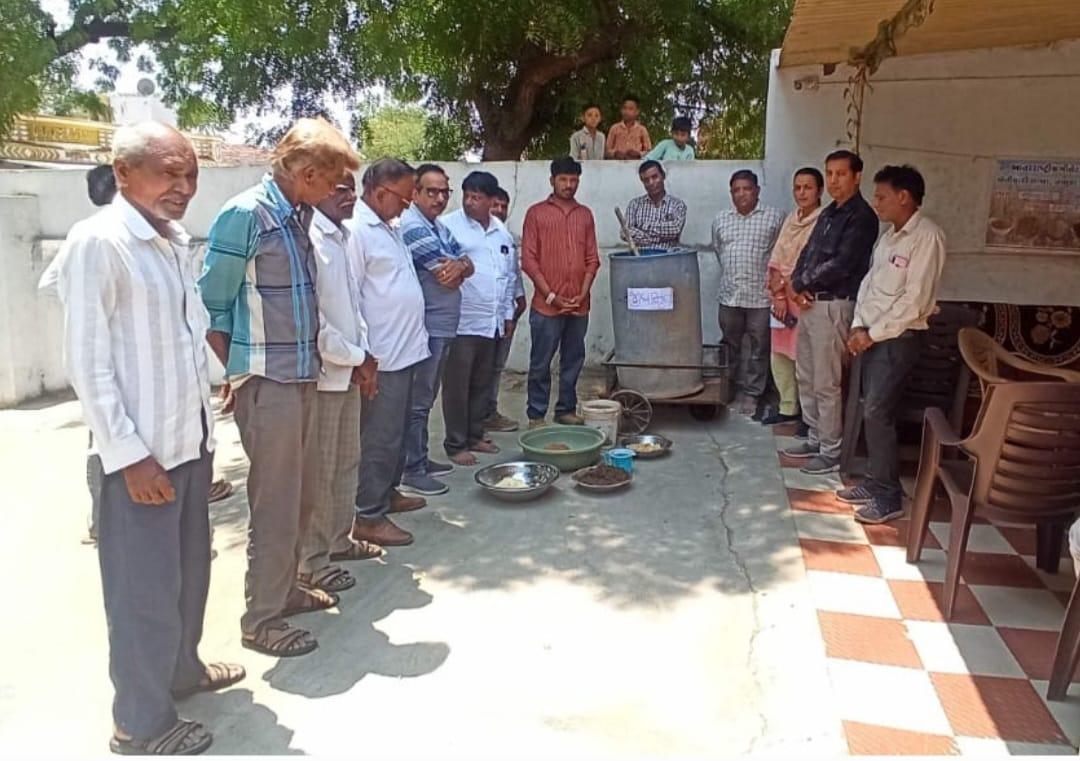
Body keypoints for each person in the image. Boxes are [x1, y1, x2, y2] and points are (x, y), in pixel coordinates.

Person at [56, 122, 243, 755]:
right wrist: (129, 457)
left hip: (188, 444)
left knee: (189, 575)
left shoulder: (169, 240)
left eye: (190, 174)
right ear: (125, 173)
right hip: (141, 458)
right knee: (143, 594)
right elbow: (88, 361)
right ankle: (140, 721)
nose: (184, 187)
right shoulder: (99, 242)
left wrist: (217, 383)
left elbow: (180, 337)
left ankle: (182, 673)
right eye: (170, 173)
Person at [200, 118, 359, 658]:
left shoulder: (296, 216)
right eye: (332, 181)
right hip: (267, 382)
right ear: (308, 172)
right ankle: (261, 619)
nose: (337, 191)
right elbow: (213, 305)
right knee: (275, 501)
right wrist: (239, 375)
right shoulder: (246, 215)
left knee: (304, 493)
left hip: (303, 374)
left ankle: (286, 588)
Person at [839, 165, 945, 523]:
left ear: (904, 196)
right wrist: (857, 326)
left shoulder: (926, 237)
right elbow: (868, 285)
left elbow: (914, 301)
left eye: (882, 195)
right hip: (871, 336)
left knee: (877, 411)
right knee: (873, 408)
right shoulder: (888, 238)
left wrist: (872, 333)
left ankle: (889, 497)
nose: (876, 202)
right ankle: (874, 480)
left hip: (899, 339)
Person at [297, 171, 384, 597]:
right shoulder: (309, 239)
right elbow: (317, 323)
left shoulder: (343, 237)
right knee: (320, 471)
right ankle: (312, 563)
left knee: (347, 462)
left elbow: (353, 307)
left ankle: (339, 540)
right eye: (339, 188)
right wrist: (357, 358)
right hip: (325, 374)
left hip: (350, 368)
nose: (348, 196)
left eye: (351, 188)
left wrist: (364, 356)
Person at [347, 158, 431, 548]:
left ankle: (389, 493)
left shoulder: (389, 226)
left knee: (396, 434)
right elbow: (350, 299)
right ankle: (368, 515)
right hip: (383, 357)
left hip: (408, 349)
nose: (409, 203)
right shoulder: (356, 231)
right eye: (405, 195)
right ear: (380, 193)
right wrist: (364, 358)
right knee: (379, 437)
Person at [783, 150, 880, 475]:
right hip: (811, 304)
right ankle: (814, 436)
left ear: (857, 176)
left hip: (835, 305)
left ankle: (830, 450)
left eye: (841, 174)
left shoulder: (862, 217)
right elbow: (808, 253)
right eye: (831, 173)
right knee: (806, 375)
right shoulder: (827, 215)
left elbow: (842, 264)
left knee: (826, 381)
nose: (835, 180)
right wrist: (797, 283)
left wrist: (805, 282)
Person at [399, 163, 472, 495]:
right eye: (432, 191)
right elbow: (446, 270)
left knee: (426, 399)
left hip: (443, 325)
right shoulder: (412, 226)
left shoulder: (437, 226)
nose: (440, 198)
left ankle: (422, 459)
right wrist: (458, 266)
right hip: (426, 326)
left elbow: (464, 262)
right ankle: (412, 469)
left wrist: (460, 265)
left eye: (445, 191)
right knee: (417, 400)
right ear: (415, 193)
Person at [440, 171, 518, 465]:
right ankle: (456, 443)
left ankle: (475, 435)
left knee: (482, 383)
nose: (470, 202)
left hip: (493, 321)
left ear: (491, 201)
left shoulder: (501, 232)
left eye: (477, 197)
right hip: (462, 321)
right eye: (467, 196)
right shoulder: (448, 226)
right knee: (457, 386)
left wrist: (508, 313)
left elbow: (508, 276)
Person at [522, 157, 600, 427]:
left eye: (574, 180)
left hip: (579, 305)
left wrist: (582, 293)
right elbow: (529, 260)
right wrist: (552, 296)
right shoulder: (536, 213)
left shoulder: (585, 215)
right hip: (546, 306)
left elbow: (592, 259)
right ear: (552, 180)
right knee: (541, 362)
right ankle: (536, 414)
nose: (569, 185)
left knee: (573, 360)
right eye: (564, 179)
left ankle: (566, 409)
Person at [711, 169, 785, 418]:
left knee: (758, 347)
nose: (741, 194)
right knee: (729, 345)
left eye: (746, 188)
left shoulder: (774, 218)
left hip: (760, 298)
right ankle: (727, 388)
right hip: (730, 295)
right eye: (736, 190)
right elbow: (719, 251)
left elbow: (780, 257)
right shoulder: (721, 220)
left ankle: (753, 393)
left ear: (757, 191)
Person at [762, 167, 825, 428]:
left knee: (804, 357)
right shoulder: (791, 220)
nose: (802, 193)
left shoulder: (824, 221)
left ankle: (809, 417)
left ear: (820, 191)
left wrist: (789, 287)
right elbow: (777, 258)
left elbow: (814, 263)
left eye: (807, 187)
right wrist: (777, 294)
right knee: (780, 355)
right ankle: (787, 407)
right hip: (782, 299)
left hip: (804, 297)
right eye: (797, 188)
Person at [484, 186, 528, 432]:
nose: (499, 211)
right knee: (478, 371)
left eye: (503, 206)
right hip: (481, 319)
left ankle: (490, 412)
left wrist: (519, 303)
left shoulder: (507, 237)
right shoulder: (466, 235)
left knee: (495, 368)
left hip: (506, 315)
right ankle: (473, 421)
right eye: (495, 205)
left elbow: (512, 275)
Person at [623, 160, 687, 247]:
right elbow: (624, 232)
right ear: (642, 181)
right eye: (646, 180)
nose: (651, 183)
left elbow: (675, 230)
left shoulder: (677, 205)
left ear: (663, 176)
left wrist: (644, 227)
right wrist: (654, 237)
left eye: (655, 177)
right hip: (641, 259)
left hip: (667, 258)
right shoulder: (634, 205)